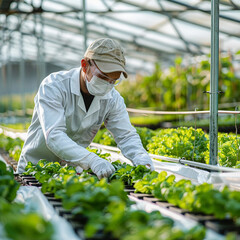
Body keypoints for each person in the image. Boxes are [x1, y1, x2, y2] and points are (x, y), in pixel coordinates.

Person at [17, 38, 154, 179]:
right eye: (102, 77)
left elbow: (126, 136)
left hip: (70, 174)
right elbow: (54, 136)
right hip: (35, 170)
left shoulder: (113, 99)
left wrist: (142, 158)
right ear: (84, 65)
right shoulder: (54, 86)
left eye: (113, 81)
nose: (108, 85)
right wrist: (92, 160)